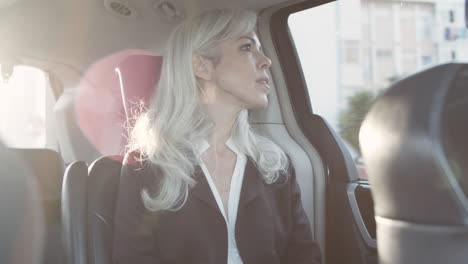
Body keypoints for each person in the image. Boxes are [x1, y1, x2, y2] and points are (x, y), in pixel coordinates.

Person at [113, 8, 322, 264]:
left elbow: (303, 256)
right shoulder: (145, 165)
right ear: (202, 65)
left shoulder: (275, 165)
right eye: (247, 47)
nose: (266, 60)